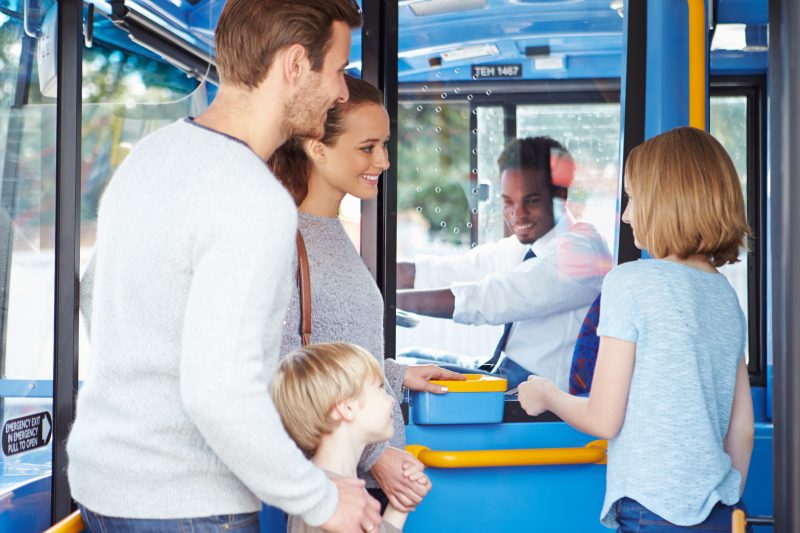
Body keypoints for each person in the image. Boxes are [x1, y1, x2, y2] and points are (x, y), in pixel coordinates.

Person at [67, 1, 384, 532]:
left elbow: (94, 296)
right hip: (190, 505)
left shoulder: (150, 158)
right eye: (338, 70)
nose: (342, 92)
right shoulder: (251, 198)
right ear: (294, 66)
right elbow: (219, 393)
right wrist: (323, 500)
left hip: (107, 492)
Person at [517, 126, 755, 532]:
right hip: (723, 509)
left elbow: (604, 419)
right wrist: (721, 502)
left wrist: (544, 393)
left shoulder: (630, 282)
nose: (626, 215)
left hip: (651, 508)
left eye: (632, 199)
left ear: (667, 203)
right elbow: (742, 428)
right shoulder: (723, 294)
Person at [269, 75, 464, 513]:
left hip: (359, 479)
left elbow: (324, 347)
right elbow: (285, 373)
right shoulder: (283, 240)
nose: (384, 160)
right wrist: (375, 458)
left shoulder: (330, 231)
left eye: (386, 144)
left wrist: (395, 375)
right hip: (336, 488)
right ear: (317, 148)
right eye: (367, 147)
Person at [395, 137, 612, 390]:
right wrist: (375, 274)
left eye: (531, 201)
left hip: (536, 392)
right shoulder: (526, 245)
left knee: (402, 381)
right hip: (503, 369)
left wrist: (391, 301)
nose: (516, 214)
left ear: (560, 195)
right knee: (406, 359)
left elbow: (490, 299)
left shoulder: (583, 252)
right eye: (508, 201)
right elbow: (449, 271)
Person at [271, 342, 430, 533]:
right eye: (380, 388)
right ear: (346, 408)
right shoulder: (333, 500)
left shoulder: (339, 486)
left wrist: (400, 506)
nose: (390, 399)